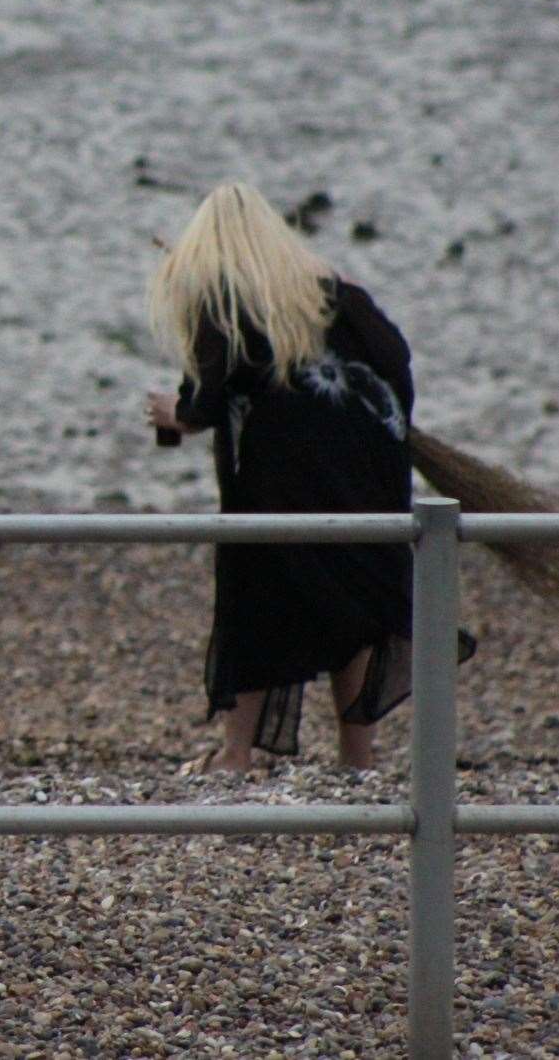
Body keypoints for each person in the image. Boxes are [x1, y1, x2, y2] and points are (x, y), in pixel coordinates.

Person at [145, 181, 473, 774]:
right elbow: (396, 368)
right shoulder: (343, 298)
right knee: (356, 603)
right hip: (369, 477)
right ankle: (358, 756)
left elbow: (207, 396)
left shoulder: (227, 300)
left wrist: (177, 415)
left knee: (256, 601)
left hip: (278, 487)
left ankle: (236, 754)